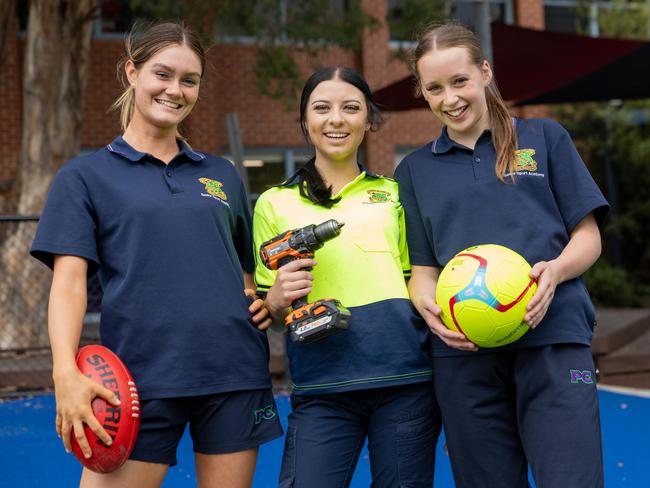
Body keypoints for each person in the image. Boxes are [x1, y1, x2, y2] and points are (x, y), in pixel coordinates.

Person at [31, 22, 282, 488]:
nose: (175, 90)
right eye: (162, 74)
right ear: (131, 71)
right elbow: (67, 285)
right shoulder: (85, 176)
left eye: (189, 80)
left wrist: (258, 296)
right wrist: (64, 369)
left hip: (233, 372)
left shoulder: (222, 174)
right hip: (135, 379)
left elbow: (245, 267)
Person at [394, 22, 609, 488]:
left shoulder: (545, 138)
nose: (449, 98)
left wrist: (556, 272)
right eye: (434, 88)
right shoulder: (413, 171)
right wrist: (429, 310)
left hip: (552, 335)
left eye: (459, 81)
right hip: (464, 355)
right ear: (422, 93)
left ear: (485, 73)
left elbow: (588, 237)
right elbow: (423, 270)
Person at [253, 66, 441, 488]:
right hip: (321, 387)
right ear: (305, 121)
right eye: (322, 108)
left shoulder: (394, 194)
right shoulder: (273, 203)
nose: (336, 119)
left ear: (368, 119)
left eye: (350, 108)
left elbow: (421, 282)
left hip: (405, 383)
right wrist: (276, 297)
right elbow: (269, 306)